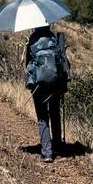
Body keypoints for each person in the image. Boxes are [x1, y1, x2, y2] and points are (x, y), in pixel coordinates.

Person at [24, 24, 69, 162]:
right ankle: (58, 145)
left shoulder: (33, 39)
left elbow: (27, 63)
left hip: (39, 85)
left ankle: (47, 152)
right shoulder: (53, 38)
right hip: (55, 83)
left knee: (42, 117)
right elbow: (63, 60)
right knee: (55, 112)